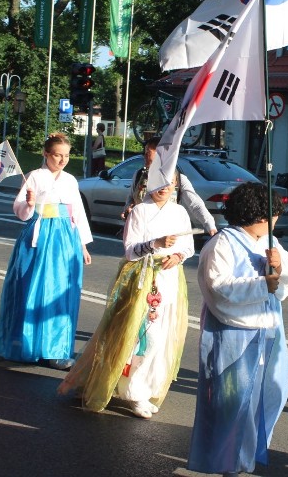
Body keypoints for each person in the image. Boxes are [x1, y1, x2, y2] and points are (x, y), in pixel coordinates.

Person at [188, 182, 288, 476]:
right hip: (233, 334)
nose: (276, 221)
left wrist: (279, 267)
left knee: (267, 396)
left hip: (267, 332)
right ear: (261, 216)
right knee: (233, 404)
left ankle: (245, 457)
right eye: (274, 215)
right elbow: (219, 287)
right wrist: (264, 283)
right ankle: (228, 463)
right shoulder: (221, 244)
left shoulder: (269, 242)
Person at [59, 173, 195, 419]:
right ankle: (133, 391)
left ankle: (142, 387)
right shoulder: (140, 211)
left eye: (169, 183)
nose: (163, 188)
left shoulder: (180, 213)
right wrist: (155, 243)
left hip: (170, 279)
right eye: (159, 182)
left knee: (162, 336)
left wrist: (178, 256)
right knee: (141, 335)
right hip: (141, 279)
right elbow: (131, 251)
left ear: (176, 184)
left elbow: (188, 246)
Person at [0, 133, 93, 370]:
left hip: (65, 238)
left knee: (60, 291)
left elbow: (77, 212)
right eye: (57, 155)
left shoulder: (70, 180)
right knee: (33, 288)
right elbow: (20, 210)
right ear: (46, 154)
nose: (62, 160)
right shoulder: (35, 177)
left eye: (66, 156)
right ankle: (27, 343)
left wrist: (82, 244)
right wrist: (29, 204)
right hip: (39, 237)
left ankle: (56, 349)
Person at [122, 136, 217, 235]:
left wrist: (210, 225)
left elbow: (195, 204)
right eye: (144, 153)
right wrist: (128, 209)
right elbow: (131, 198)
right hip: (140, 232)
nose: (145, 157)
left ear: (161, 154)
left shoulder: (178, 178)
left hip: (166, 234)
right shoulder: (139, 175)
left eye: (148, 153)